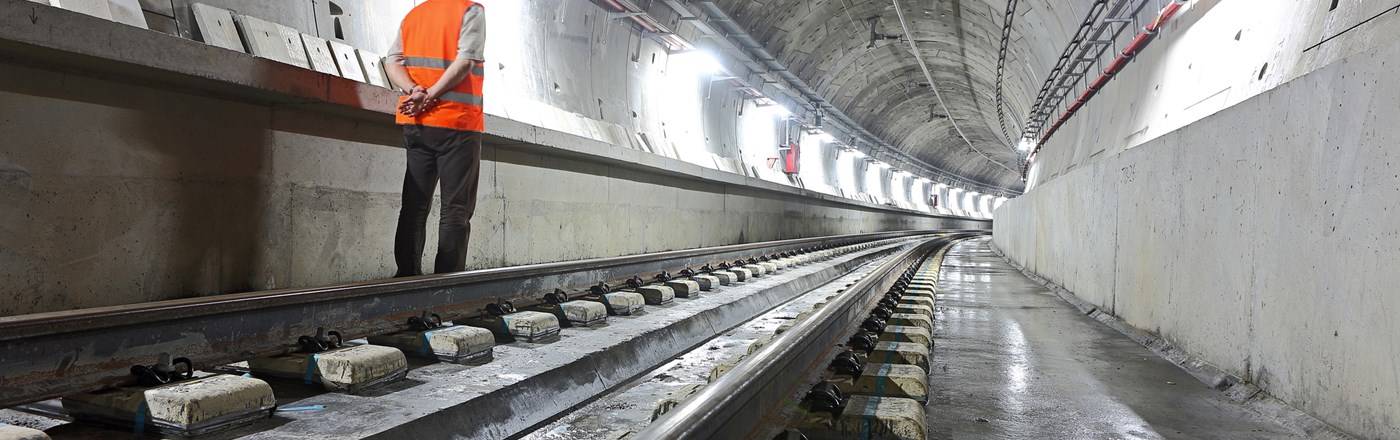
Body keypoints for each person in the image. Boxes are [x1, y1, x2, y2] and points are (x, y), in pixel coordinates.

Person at [383, 0, 486, 276]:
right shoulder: (470, 10)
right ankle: (447, 284)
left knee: (414, 205)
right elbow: (465, 62)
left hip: (417, 124)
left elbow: (392, 61)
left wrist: (414, 90)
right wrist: (430, 95)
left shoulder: (414, 15)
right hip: (457, 123)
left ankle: (407, 276)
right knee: (455, 209)